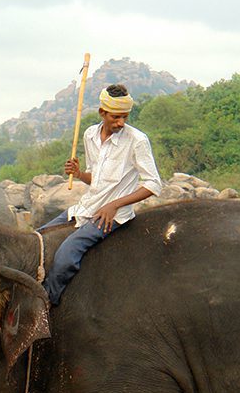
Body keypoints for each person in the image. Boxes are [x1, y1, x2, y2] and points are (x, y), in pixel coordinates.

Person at [39, 83, 163, 305]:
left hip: (111, 216)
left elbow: (154, 184)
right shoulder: (89, 135)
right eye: (116, 117)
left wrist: (114, 205)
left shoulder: (137, 140)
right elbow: (95, 178)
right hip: (85, 207)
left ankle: (46, 305)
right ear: (102, 113)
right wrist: (78, 174)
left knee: (65, 256)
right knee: (39, 236)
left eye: (125, 117)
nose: (121, 123)